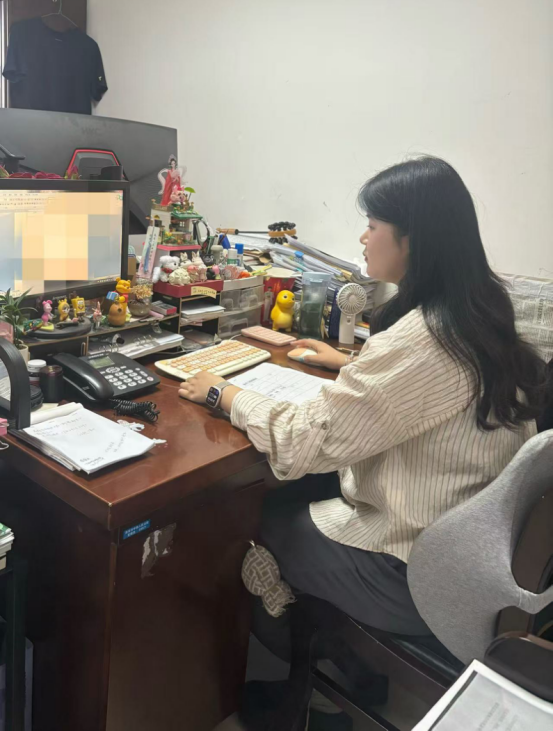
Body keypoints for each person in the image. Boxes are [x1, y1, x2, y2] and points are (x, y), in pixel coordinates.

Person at [179, 157, 549, 730]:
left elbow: (303, 440)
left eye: (373, 225)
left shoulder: (423, 340)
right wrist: (350, 363)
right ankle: (352, 673)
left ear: (412, 239)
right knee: (303, 495)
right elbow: (424, 390)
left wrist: (222, 393)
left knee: (252, 522)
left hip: (415, 573)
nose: (363, 237)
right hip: (470, 549)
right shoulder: (481, 307)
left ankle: (320, 694)